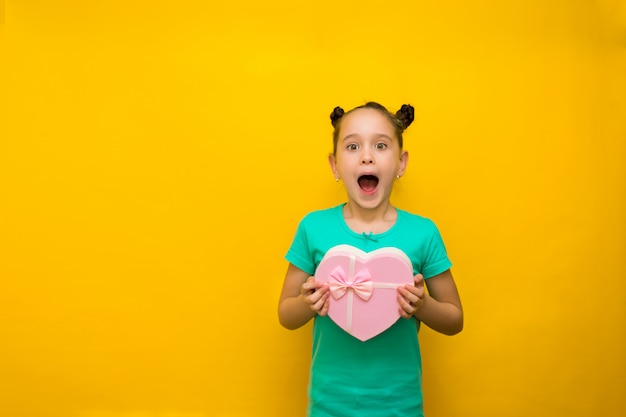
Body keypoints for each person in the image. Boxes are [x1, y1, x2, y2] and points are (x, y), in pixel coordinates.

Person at [278, 102, 463, 417]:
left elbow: (455, 320)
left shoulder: (423, 232)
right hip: (328, 406)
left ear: (401, 163)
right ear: (335, 166)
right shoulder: (313, 227)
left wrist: (423, 306)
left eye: (380, 145)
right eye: (352, 146)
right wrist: (308, 304)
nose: (367, 156)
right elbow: (285, 313)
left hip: (400, 407)